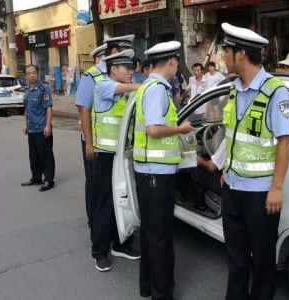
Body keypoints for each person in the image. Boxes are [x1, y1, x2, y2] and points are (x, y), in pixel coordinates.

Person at [220, 23, 289, 300]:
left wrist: (277, 186)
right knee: (235, 257)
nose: (223, 57)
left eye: (226, 51)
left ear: (241, 54)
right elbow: (233, 135)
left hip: (261, 194)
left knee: (262, 260)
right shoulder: (234, 89)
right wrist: (227, 169)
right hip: (233, 187)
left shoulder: (276, 92)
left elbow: (285, 141)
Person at [133, 41, 194, 300]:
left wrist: (176, 147)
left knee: (151, 234)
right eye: (177, 62)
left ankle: (148, 287)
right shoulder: (157, 89)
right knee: (160, 238)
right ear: (170, 61)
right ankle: (162, 295)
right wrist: (181, 130)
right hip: (156, 174)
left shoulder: (148, 86)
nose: (177, 67)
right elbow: (154, 129)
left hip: (150, 171)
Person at [76, 35, 134, 227]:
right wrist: (89, 143)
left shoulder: (125, 74)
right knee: (96, 184)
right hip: (96, 142)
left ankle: (115, 227)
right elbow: (84, 108)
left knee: (117, 188)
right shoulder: (92, 76)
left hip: (118, 145)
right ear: (116, 52)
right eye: (125, 52)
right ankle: (95, 222)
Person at [90, 49, 141, 272]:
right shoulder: (103, 86)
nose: (132, 72)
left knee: (123, 200)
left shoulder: (128, 92)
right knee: (104, 204)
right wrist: (143, 86)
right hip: (105, 156)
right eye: (127, 68)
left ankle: (121, 243)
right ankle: (100, 251)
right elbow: (129, 87)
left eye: (132, 68)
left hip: (124, 156)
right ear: (113, 69)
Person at [21, 64, 55, 192]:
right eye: (29, 73)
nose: (32, 75)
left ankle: (49, 180)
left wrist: (48, 125)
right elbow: (27, 108)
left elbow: (49, 108)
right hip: (31, 128)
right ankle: (36, 178)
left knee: (45, 155)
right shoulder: (26, 89)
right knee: (33, 156)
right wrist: (26, 124)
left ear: (37, 73)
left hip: (42, 128)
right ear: (25, 76)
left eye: (34, 72)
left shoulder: (43, 89)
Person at [191, 139, 226, 211]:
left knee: (197, 171)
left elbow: (211, 166)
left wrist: (197, 160)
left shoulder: (229, 139)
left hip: (228, 185)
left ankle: (201, 206)